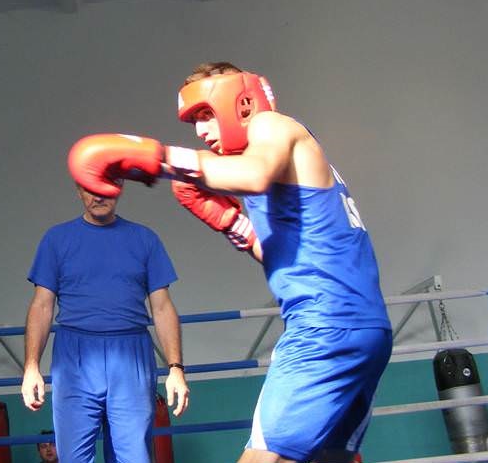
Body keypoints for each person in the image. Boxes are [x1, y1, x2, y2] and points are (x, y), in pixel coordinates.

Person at [67, 62, 393, 463]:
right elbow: (280, 253)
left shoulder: (272, 126)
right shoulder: (283, 181)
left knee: (262, 459)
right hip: (367, 330)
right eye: (194, 123)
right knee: (329, 459)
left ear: (240, 102)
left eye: (206, 114)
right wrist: (232, 223)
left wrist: (156, 158)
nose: (201, 131)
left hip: (323, 327)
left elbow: (252, 174)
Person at [21, 182, 189, 463]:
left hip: (130, 354)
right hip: (74, 355)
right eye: (90, 188)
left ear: (119, 188)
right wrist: (31, 367)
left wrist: (176, 368)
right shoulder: (57, 239)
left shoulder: (144, 239)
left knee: (134, 457)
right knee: (73, 458)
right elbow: (41, 305)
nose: (98, 195)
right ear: (78, 191)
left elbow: (162, 307)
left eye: (106, 187)